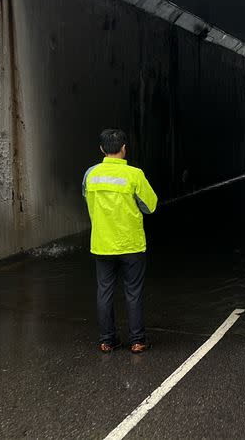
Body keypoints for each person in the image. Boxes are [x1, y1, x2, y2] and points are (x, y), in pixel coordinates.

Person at [83, 129, 158, 354]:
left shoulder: (90, 174)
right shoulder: (134, 175)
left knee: (104, 290)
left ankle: (107, 340)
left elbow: (87, 199)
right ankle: (137, 340)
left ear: (101, 149)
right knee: (132, 291)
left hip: (102, 242)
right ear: (124, 148)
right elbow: (150, 206)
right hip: (130, 243)